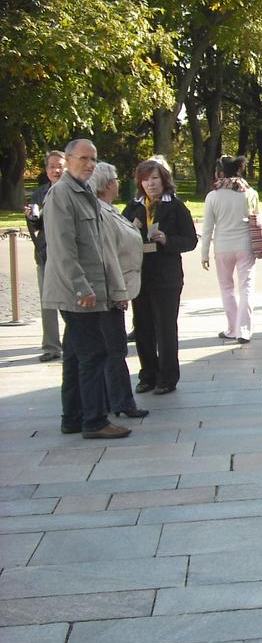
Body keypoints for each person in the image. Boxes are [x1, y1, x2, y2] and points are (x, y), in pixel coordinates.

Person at [41, 140, 131, 440]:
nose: (90, 164)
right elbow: (63, 248)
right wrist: (81, 287)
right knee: (94, 354)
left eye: (93, 159)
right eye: (84, 159)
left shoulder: (82, 192)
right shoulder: (62, 194)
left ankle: (73, 416)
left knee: (76, 356)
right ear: (68, 160)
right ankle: (94, 421)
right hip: (78, 292)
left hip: (87, 289)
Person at [123, 159, 198, 396]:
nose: (150, 184)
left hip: (166, 275)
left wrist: (168, 241)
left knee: (165, 327)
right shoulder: (133, 206)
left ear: (164, 179)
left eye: (154, 178)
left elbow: (191, 240)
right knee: (142, 326)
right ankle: (148, 375)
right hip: (141, 274)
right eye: (145, 179)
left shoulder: (175, 206)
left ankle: (168, 377)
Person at [87, 162, 147, 420]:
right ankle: (120, 401)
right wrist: (118, 292)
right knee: (114, 349)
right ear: (109, 184)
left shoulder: (107, 210)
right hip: (110, 289)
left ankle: (115, 400)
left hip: (113, 286)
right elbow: (108, 254)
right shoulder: (101, 212)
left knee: (112, 347)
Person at [201, 155, 260, 344]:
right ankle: (244, 330)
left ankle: (232, 328)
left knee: (226, 288)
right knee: (247, 288)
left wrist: (204, 253)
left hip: (222, 247)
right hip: (245, 245)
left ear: (220, 173)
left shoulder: (213, 196)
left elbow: (207, 228)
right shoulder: (250, 193)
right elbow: (257, 219)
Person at [24, 151, 66, 362]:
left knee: (72, 301)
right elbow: (38, 224)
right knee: (47, 302)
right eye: (51, 166)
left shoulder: (75, 191)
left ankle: (74, 343)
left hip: (69, 256)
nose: (56, 170)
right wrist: (31, 218)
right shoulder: (40, 193)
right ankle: (51, 347)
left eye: (59, 166)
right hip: (45, 254)